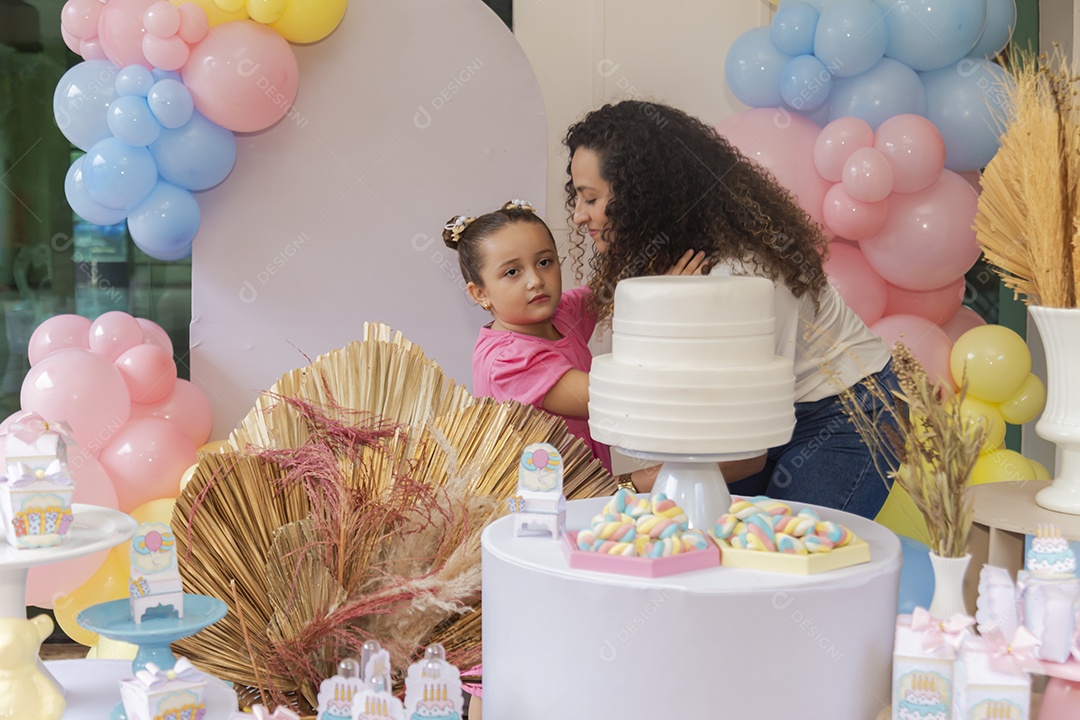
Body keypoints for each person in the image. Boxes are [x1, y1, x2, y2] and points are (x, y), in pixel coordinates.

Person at [563, 100, 899, 520]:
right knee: (708, 534)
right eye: (577, 197)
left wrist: (627, 486)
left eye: (590, 198)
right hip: (776, 416)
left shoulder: (739, 276)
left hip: (850, 412)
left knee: (784, 549)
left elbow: (739, 450)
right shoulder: (677, 256)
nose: (578, 216)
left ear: (640, 197)